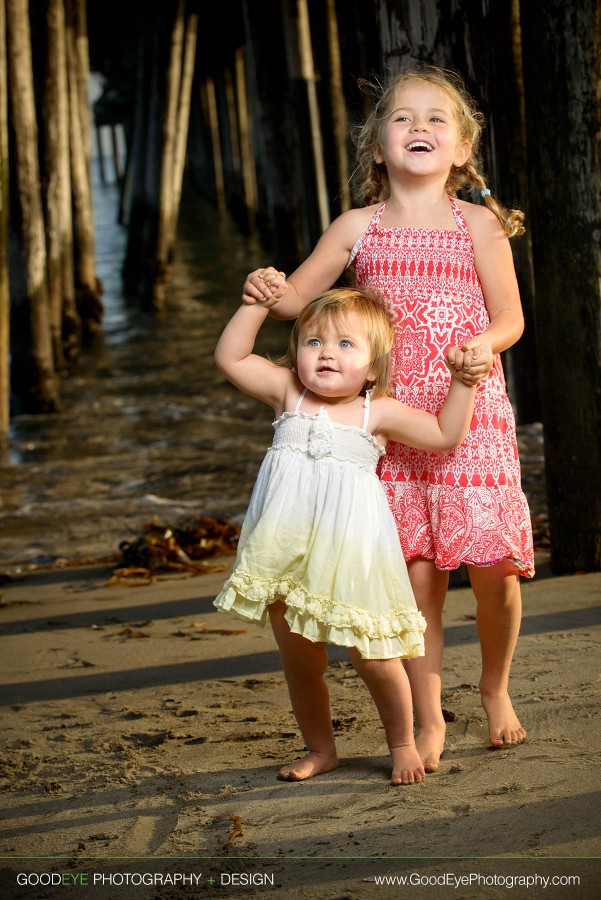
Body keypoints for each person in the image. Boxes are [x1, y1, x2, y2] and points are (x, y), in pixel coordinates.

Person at [240, 63, 534, 773]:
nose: (419, 129)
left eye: (437, 119)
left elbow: (509, 318)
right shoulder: (355, 227)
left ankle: (493, 688)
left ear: (461, 149)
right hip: (388, 419)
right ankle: (428, 717)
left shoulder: (478, 224)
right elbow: (294, 304)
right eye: (402, 119)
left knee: (494, 570)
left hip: (469, 408)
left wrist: (478, 349)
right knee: (416, 576)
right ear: (377, 147)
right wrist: (264, 285)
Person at [213, 286, 476, 785]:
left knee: (376, 656)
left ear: (374, 369)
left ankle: (401, 742)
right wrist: (252, 305)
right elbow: (231, 357)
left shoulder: (377, 413)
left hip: (351, 554)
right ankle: (321, 748)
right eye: (312, 343)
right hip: (285, 553)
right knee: (300, 661)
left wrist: (463, 382)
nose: (326, 353)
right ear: (296, 356)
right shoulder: (290, 394)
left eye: (345, 345)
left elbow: (445, 434)